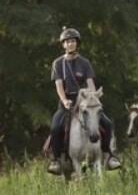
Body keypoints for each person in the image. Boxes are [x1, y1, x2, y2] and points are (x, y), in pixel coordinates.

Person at [48, 28, 121, 173]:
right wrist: (64, 101)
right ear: (63, 44)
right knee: (56, 127)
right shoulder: (58, 63)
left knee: (107, 123)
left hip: (85, 99)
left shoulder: (85, 63)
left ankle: (110, 156)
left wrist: (93, 97)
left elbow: (90, 84)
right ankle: (56, 160)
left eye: (73, 41)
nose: (70, 44)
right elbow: (59, 86)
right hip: (67, 101)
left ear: (77, 43)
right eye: (67, 42)